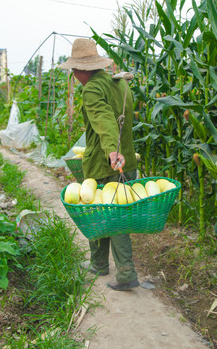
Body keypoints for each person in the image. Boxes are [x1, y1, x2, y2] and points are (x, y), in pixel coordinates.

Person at [58, 38, 139, 291]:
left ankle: (124, 273)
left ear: (81, 70)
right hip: (128, 159)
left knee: (105, 216)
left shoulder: (91, 88)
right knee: (116, 215)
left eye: (74, 71)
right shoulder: (120, 83)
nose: (74, 76)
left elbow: (105, 120)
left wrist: (112, 151)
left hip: (106, 162)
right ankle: (99, 264)